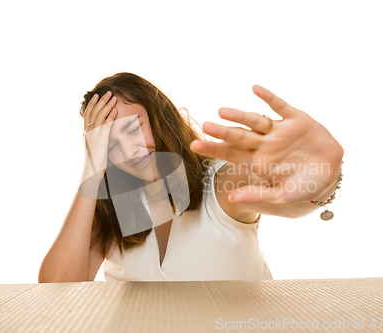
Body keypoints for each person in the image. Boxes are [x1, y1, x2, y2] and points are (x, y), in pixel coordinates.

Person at [37, 72, 344, 282]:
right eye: (110, 144)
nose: (130, 151)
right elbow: (58, 290)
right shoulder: (113, 208)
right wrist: (92, 168)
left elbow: (286, 194)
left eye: (133, 128)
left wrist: (320, 177)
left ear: (160, 116)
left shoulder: (217, 181)